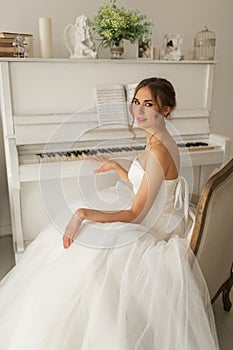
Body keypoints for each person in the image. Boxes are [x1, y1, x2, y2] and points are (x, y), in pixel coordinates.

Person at [0, 78, 219, 350]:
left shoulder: (159, 149)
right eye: (136, 102)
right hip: (149, 213)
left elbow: (135, 213)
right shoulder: (155, 137)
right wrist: (117, 167)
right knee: (79, 243)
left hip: (153, 227)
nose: (139, 111)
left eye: (148, 104)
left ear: (166, 110)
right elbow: (148, 188)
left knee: (91, 260)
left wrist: (83, 213)